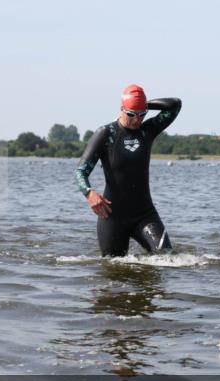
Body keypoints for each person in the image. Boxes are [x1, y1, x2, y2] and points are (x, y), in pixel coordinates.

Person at [75, 84, 182, 257]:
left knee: (168, 258)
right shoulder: (105, 134)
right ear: (121, 109)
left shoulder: (147, 131)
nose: (137, 120)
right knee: (113, 272)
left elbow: (175, 105)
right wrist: (89, 193)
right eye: (131, 114)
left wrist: (144, 105)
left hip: (145, 214)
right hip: (112, 217)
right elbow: (80, 171)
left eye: (142, 114)